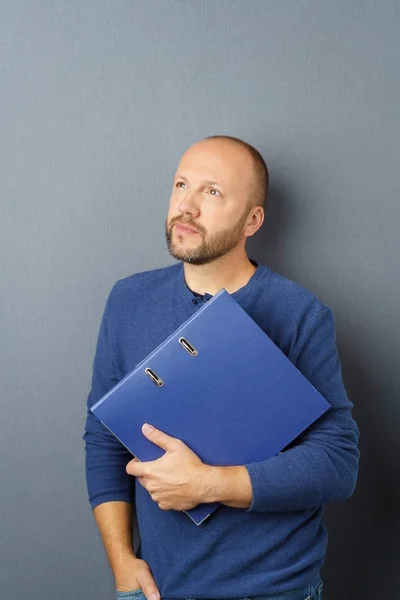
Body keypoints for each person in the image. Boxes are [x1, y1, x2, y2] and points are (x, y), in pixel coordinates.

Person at [84, 135, 359, 600]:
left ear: (253, 219)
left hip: (272, 589)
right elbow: (104, 439)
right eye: (181, 184)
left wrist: (208, 484)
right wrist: (121, 562)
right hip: (156, 588)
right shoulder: (127, 301)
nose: (186, 205)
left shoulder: (299, 314)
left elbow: (337, 463)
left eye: (212, 192)